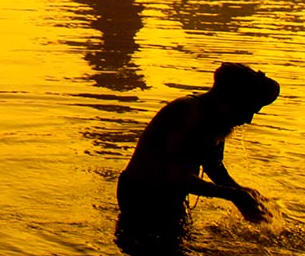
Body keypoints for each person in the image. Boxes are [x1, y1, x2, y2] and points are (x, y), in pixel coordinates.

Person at [117, 63, 280, 235]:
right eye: (248, 110)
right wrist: (234, 196)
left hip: (170, 196)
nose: (249, 120)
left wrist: (244, 193)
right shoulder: (187, 112)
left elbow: (215, 168)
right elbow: (176, 176)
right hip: (142, 195)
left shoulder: (217, 119)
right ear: (232, 99)